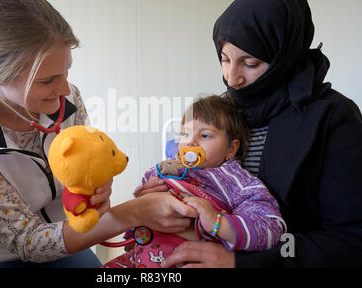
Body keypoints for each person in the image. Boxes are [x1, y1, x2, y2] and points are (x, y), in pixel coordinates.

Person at [0, 0, 198, 268]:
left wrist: (99, 186)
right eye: (46, 80)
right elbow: (28, 241)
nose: (65, 89)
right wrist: (133, 214)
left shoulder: (67, 97)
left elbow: (84, 168)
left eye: (65, 72)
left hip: (63, 242)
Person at [146, 0, 362, 268]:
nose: (232, 79)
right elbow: (198, 173)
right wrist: (167, 190)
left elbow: (350, 241)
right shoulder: (223, 112)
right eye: (224, 59)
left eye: (251, 63)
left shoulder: (333, 118)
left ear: (283, 58)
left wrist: (240, 263)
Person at [103, 95, 286, 268]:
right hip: (140, 256)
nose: (191, 142)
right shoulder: (164, 171)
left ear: (231, 148)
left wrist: (218, 223)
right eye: (185, 133)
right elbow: (139, 206)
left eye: (205, 135)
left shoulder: (239, 183)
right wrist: (140, 203)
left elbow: (270, 227)